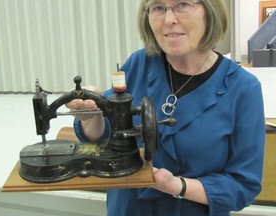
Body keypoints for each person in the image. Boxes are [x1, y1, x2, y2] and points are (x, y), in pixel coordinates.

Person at [67, 0, 266, 215]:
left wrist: (176, 186)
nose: (169, 19)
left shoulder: (243, 89)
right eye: (158, 8)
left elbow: (243, 186)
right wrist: (91, 116)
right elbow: (101, 134)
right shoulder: (138, 63)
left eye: (182, 4)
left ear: (210, 12)